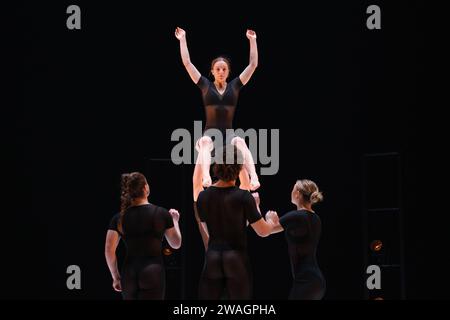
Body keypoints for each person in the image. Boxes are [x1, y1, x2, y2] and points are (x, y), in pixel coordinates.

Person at [175, 26, 260, 191]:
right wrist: (183, 39)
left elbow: (253, 65)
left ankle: (254, 177)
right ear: (212, 71)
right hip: (210, 135)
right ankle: (207, 176)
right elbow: (187, 63)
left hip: (229, 136)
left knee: (241, 141)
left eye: (224, 69)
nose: (221, 71)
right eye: (217, 69)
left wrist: (253, 41)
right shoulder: (205, 85)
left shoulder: (235, 86)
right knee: (205, 142)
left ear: (228, 72)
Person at [196, 145, 278, 299]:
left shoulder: (203, 197)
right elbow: (263, 231)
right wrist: (271, 221)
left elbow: (209, 231)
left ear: (216, 166)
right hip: (236, 258)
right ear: (240, 167)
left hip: (212, 258)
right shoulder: (243, 197)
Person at [104, 172, 182, 300]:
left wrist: (116, 276)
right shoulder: (161, 213)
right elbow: (176, 243)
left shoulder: (119, 218)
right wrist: (175, 221)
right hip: (153, 272)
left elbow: (108, 249)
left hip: (129, 272)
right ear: (145, 188)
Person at [267, 179, 326, 300]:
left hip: (306, 280)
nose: (291, 191)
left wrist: (267, 216)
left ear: (297, 193)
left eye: (293, 188)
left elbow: (266, 231)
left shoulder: (296, 216)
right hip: (316, 281)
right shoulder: (316, 218)